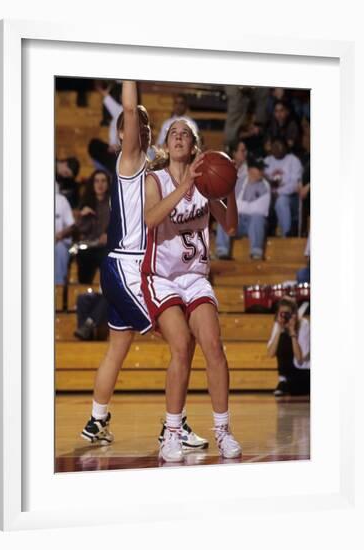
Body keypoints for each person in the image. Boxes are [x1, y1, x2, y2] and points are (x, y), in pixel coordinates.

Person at [80, 81, 207, 450]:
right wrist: (129, 76)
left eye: (151, 126)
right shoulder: (130, 158)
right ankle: (174, 425)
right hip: (129, 268)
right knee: (182, 340)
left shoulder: (151, 169)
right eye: (139, 125)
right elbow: (132, 113)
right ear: (123, 132)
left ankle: (96, 420)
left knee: (117, 349)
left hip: (125, 268)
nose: (145, 130)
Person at [142, 118, 242, 462]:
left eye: (186, 134)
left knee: (213, 345)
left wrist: (228, 185)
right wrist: (183, 185)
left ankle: (223, 430)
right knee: (182, 345)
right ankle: (171, 433)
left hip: (195, 276)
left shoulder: (204, 183)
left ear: (195, 145)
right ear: (167, 145)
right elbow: (151, 219)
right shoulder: (154, 179)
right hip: (162, 277)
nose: (180, 137)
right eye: (174, 133)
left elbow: (229, 226)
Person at [216, 152, 271, 261]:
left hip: (253, 224)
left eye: (262, 169)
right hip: (238, 222)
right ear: (250, 169)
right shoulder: (239, 181)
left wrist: (241, 206)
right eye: (258, 169)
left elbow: (262, 211)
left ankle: (256, 252)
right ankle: (222, 251)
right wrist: (247, 206)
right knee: (224, 215)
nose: (261, 172)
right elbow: (232, 205)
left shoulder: (265, 186)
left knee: (257, 218)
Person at [267, 296, 310, 397]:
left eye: (288, 314)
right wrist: (279, 330)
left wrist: (292, 332)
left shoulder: (304, 324)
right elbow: (270, 353)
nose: (285, 317)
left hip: (303, 372)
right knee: (282, 339)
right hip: (288, 374)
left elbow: (300, 359)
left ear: (294, 314)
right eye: (282, 313)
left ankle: (287, 384)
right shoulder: (278, 323)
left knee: (287, 339)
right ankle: (284, 381)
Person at [73, 169, 111, 284]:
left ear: (108, 184)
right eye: (97, 181)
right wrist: (82, 216)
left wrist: (109, 234)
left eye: (103, 181)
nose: (100, 184)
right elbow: (80, 230)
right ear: (92, 184)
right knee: (83, 256)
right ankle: (84, 290)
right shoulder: (85, 203)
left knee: (106, 256)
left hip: (106, 247)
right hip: (88, 246)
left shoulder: (114, 204)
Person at [263, 137, 302, 237]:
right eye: (274, 146)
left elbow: (295, 185)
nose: (276, 149)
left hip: (291, 199)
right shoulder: (267, 161)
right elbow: (262, 182)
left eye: (279, 146)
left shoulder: (293, 160)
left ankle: (287, 234)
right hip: (270, 198)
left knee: (281, 200)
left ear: (285, 147)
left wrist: (278, 192)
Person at [55, 181, 76, 285]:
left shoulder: (61, 200)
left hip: (59, 240)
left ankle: (58, 287)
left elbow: (71, 225)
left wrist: (59, 235)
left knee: (59, 249)